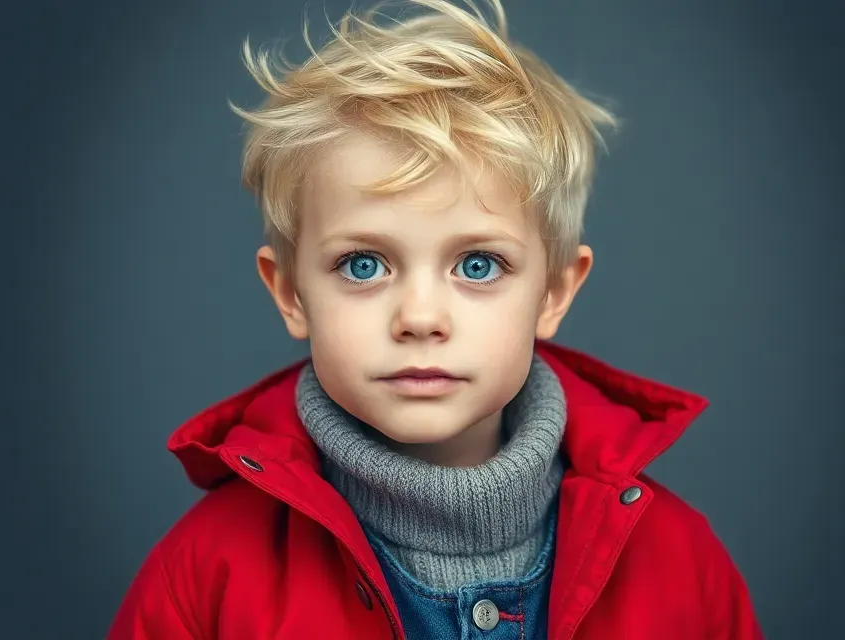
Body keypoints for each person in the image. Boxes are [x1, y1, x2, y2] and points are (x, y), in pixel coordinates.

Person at [107, 1, 762, 637]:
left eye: (477, 265)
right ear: (291, 295)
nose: (420, 318)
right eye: (364, 265)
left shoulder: (680, 564)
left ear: (555, 293)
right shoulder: (207, 574)